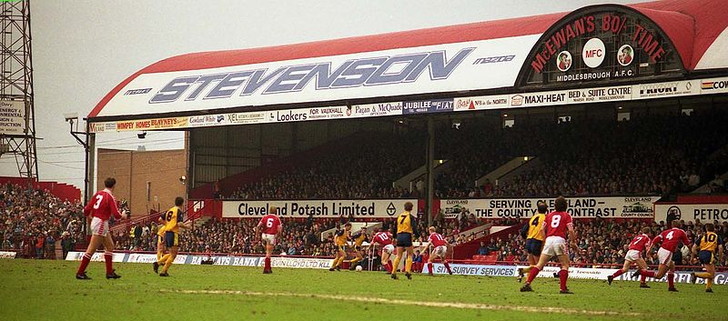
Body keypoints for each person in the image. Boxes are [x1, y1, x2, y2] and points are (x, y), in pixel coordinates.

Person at [75, 177, 128, 280]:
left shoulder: (98, 194)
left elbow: (86, 209)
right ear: (114, 186)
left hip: (97, 221)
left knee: (110, 246)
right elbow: (116, 214)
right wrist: (123, 215)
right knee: (91, 249)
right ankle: (80, 272)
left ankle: (109, 273)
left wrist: (89, 217)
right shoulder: (110, 196)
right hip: (101, 222)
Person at [520, 196, 576, 294]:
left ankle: (528, 283)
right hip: (559, 240)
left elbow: (542, 229)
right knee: (565, 265)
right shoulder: (567, 215)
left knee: (539, 265)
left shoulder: (549, 215)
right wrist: (573, 242)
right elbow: (570, 230)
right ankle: (563, 288)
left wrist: (546, 240)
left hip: (549, 240)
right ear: (565, 205)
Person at [638, 220, 691, 292]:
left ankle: (671, 287)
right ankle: (642, 272)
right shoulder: (681, 232)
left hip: (662, 250)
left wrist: (649, 249)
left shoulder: (666, 231)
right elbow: (687, 243)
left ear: (672, 226)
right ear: (680, 226)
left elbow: (656, 239)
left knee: (672, 267)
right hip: (667, 252)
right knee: (659, 276)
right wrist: (692, 251)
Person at [154, 197, 191, 276]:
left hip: (167, 232)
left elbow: (160, 219)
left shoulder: (170, 210)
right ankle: (163, 271)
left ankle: (158, 263)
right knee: (173, 254)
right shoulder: (179, 211)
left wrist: (167, 225)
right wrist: (187, 226)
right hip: (173, 233)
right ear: (182, 203)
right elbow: (179, 224)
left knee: (171, 253)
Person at [518, 201, 547, 282]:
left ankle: (527, 282)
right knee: (539, 266)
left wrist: (525, 238)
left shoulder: (533, 218)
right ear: (546, 210)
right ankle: (523, 270)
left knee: (532, 265)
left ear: (538, 210)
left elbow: (523, 231)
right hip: (537, 241)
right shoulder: (546, 218)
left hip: (529, 241)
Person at [691, 223, 724, 292]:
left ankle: (708, 288)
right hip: (709, 253)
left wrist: (693, 256)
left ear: (706, 229)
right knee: (711, 275)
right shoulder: (716, 236)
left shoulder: (702, 236)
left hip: (701, 253)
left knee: (711, 272)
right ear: (714, 229)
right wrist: (720, 258)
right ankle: (695, 274)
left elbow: (693, 247)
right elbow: (720, 247)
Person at [390, 201, 419, 280]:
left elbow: (395, 228)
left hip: (399, 235)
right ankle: (408, 271)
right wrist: (418, 236)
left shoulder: (399, 216)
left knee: (398, 255)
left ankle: (393, 272)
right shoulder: (410, 217)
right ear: (411, 208)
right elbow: (414, 227)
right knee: (410, 254)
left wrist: (394, 237)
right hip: (407, 235)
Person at [256, 206, 282, 274]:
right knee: (269, 253)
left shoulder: (265, 217)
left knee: (267, 251)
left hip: (264, 235)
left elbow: (258, 226)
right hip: (271, 235)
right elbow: (279, 229)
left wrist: (257, 234)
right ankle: (266, 269)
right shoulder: (277, 218)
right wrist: (278, 236)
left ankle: (269, 268)